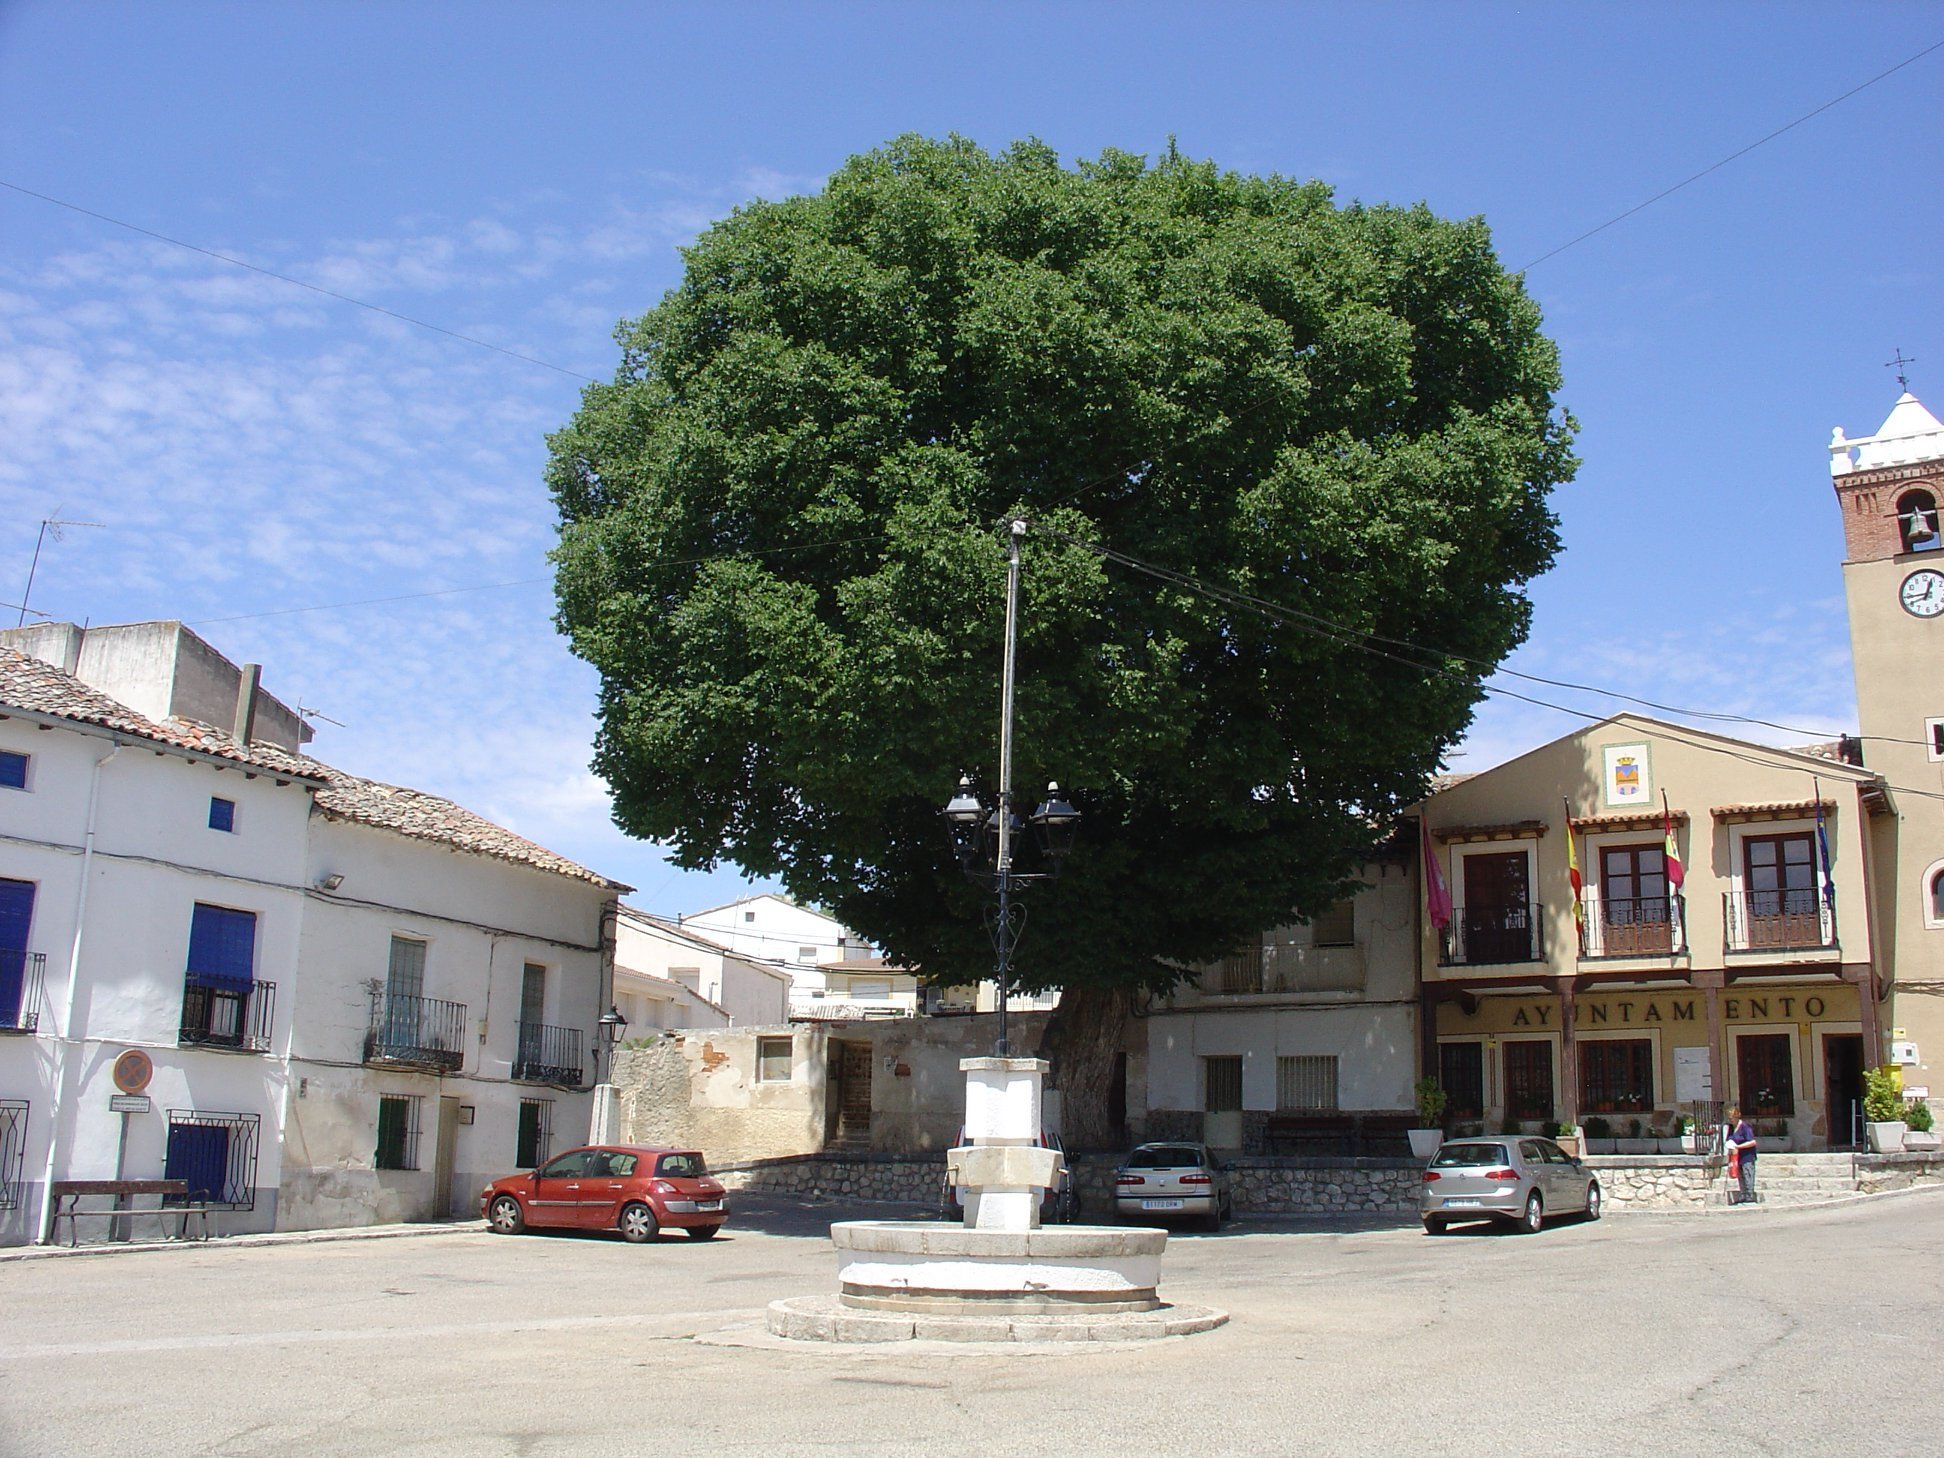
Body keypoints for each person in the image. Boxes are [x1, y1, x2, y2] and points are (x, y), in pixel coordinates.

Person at [1726, 1104, 1758, 1204]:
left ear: (1737, 1116)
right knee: (1740, 1175)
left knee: (1748, 1174)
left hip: (1747, 1156)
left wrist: (1738, 1147)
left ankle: (1749, 1195)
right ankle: (1743, 1194)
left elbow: (1752, 1142)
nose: (1731, 1120)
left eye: (1732, 1118)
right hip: (1737, 1156)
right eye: (1729, 1118)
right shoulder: (1731, 1128)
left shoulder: (1745, 1127)